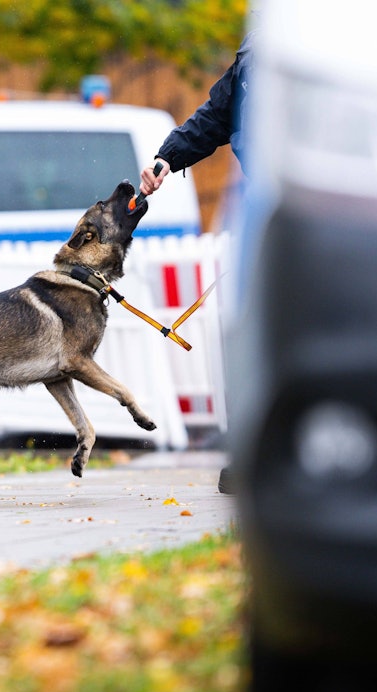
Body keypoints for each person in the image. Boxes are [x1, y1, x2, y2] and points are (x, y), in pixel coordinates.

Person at [136, 27, 256, 495]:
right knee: (245, 336)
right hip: (265, 215)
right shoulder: (255, 59)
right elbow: (214, 118)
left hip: (331, 217)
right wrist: (167, 158)